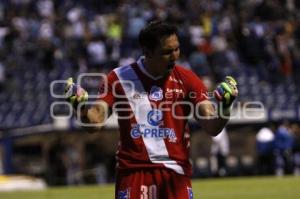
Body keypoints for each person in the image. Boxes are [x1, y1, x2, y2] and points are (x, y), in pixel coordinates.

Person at [65, 21, 238, 199]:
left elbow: (212, 126)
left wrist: (225, 106)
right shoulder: (118, 78)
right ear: (147, 52)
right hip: (134, 173)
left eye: (176, 49)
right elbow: (94, 123)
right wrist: (80, 107)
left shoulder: (187, 79)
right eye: (166, 52)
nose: (174, 56)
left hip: (175, 172)